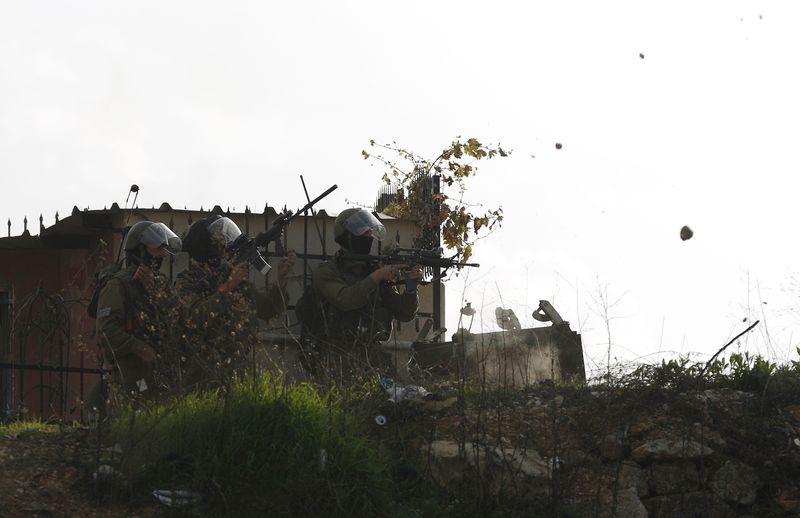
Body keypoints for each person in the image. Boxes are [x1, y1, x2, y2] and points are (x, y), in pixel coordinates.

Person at [174, 215, 295, 389]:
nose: (226, 248)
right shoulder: (187, 283)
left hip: (237, 368)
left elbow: (268, 310)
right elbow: (194, 317)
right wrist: (227, 287)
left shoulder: (233, 281)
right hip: (201, 370)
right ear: (206, 249)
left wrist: (281, 280)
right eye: (219, 243)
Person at [300, 208, 420, 380]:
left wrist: (411, 288)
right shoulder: (327, 272)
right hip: (335, 352)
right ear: (346, 235)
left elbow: (405, 313)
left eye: (370, 230)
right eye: (362, 230)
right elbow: (346, 300)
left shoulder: (371, 270)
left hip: (372, 353)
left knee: (394, 399)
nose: (369, 234)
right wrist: (378, 276)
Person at [89, 220, 182, 412]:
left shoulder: (160, 286)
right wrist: (139, 348)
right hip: (131, 374)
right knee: (133, 418)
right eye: (157, 249)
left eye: (164, 249)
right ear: (140, 251)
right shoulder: (118, 285)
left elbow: (177, 322)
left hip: (160, 372)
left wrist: (157, 296)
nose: (162, 255)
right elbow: (106, 330)